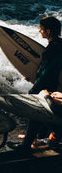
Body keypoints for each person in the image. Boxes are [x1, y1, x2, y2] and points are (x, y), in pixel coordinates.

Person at [10, 16, 62, 153]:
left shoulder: (51, 49)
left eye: (42, 29)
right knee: (45, 114)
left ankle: (26, 145)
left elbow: (46, 72)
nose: (40, 31)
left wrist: (35, 89)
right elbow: (48, 69)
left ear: (49, 31)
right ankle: (41, 136)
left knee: (35, 112)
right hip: (55, 86)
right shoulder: (59, 45)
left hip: (47, 86)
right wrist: (32, 76)